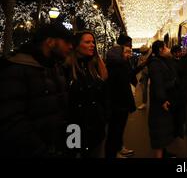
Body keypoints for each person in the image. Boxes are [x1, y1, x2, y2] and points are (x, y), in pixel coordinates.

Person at [0, 23, 73, 157]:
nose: (71, 46)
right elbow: (12, 121)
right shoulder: (17, 69)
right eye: (66, 41)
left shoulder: (55, 68)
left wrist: (71, 144)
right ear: (50, 42)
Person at [65, 31, 108, 158]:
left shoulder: (92, 67)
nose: (92, 45)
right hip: (75, 129)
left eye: (93, 42)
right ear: (76, 45)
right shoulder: (67, 68)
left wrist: (103, 116)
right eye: (87, 42)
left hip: (96, 129)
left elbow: (102, 94)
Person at [147, 41, 179, 158]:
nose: (168, 49)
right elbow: (157, 83)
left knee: (164, 128)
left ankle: (164, 152)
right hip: (160, 103)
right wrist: (162, 100)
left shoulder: (163, 61)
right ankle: (159, 155)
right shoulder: (155, 64)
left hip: (165, 99)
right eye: (166, 47)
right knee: (159, 129)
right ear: (160, 49)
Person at [105, 45, 136, 158]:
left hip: (117, 105)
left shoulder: (112, 66)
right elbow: (123, 88)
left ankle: (116, 151)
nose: (128, 55)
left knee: (115, 132)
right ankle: (113, 153)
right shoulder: (119, 67)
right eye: (126, 52)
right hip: (119, 105)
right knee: (115, 132)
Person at [137, 44, 151, 110]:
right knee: (144, 89)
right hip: (145, 73)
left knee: (154, 88)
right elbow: (139, 65)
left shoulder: (151, 54)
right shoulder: (141, 56)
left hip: (152, 72)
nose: (142, 53)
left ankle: (154, 103)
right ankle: (144, 103)